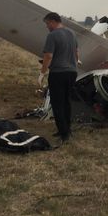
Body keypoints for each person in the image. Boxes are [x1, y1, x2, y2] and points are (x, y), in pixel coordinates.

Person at [39, 12, 78, 142]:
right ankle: (67, 129)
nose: (46, 27)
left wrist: (42, 73)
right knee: (67, 102)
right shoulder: (71, 33)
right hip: (72, 72)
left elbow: (48, 56)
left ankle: (64, 134)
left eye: (47, 24)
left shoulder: (52, 35)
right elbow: (76, 53)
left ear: (52, 21)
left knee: (57, 103)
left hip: (58, 73)